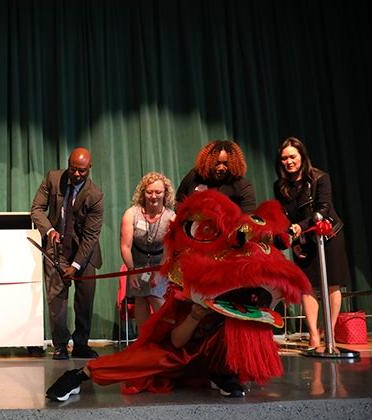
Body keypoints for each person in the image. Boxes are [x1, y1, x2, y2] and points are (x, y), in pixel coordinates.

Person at [45, 190, 311, 402]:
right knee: (152, 359)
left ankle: (223, 374)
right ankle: (80, 374)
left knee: (229, 335)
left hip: (213, 353)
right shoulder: (197, 285)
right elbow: (176, 340)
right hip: (182, 348)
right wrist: (196, 316)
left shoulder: (254, 280)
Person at [274, 136, 351, 349]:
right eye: (284, 159)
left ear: (302, 156)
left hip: (328, 236)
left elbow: (323, 209)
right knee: (307, 286)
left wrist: (301, 226)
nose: (288, 162)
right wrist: (295, 241)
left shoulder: (320, 177)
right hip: (304, 238)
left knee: (332, 284)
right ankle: (313, 336)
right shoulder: (280, 186)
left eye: (292, 157)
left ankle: (330, 333)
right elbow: (284, 218)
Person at [31, 147, 104, 360]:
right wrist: (50, 230)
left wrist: (76, 266)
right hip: (57, 249)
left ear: (89, 168)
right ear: (68, 164)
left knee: (84, 301)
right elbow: (36, 209)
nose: (77, 174)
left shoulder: (95, 196)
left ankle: (81, 344)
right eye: (73, 169)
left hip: (85, 253)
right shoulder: (53, 179)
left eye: (82, 170)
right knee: (56, 300)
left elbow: (91, 236)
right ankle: (60, 345)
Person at [119, 172, 176, 331]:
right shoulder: (131, 214)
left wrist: (159, 273)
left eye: (158, 192)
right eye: (149, 192)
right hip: (137, 263)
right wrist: (131, 272)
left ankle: (164, 339)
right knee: (140, 298)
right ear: (143, 193)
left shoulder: (171, 217)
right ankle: (143, 340)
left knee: (156, 297)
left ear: (165, 194)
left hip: (161, 264)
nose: (153, 196)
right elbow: (125, 246)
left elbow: (169, 250)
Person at [176, 140, 256, 212]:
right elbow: (179, 202)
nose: (221, 168)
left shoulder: (243, 186)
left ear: (233, 164)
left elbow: (248, 218)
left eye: (226, 164)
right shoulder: (194, 176)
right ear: (207, 162)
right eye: (217, 163)